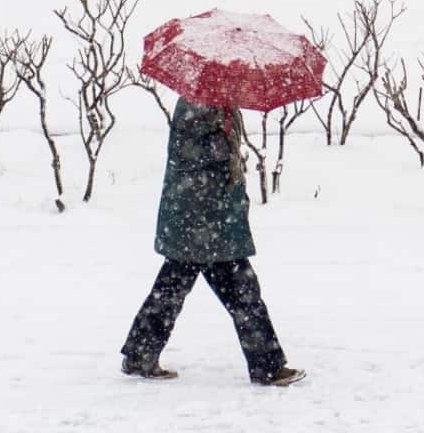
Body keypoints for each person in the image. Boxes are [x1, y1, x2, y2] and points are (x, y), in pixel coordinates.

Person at [120, 96, 306, 386]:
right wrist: (220, 147)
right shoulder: (195, 104)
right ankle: (267, 367)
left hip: (209, 223)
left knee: (170, 293)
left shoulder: (223, 105)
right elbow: (186, 153)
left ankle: (139, 354)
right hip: (201, 224)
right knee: (243, 296)